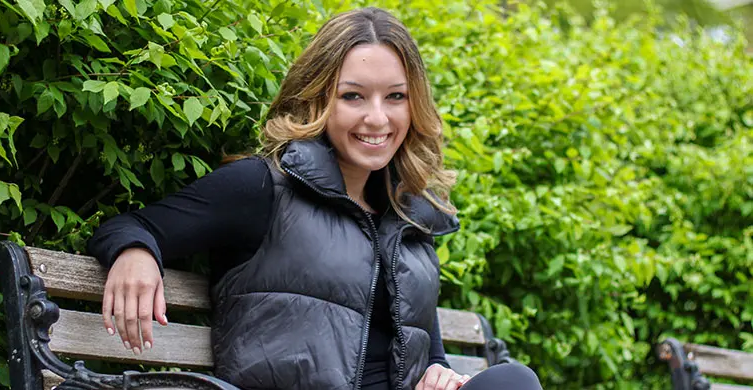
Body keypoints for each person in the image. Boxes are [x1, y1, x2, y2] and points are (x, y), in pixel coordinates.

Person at [88, 7, 543, 390]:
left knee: (514, 381)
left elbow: (425, 346)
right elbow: (134, 226)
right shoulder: (262, 187)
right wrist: (136, 251)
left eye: (396, 97)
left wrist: (440, 374)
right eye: (353, 97)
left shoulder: (410, 215)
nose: (377, 118)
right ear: (316, 99)